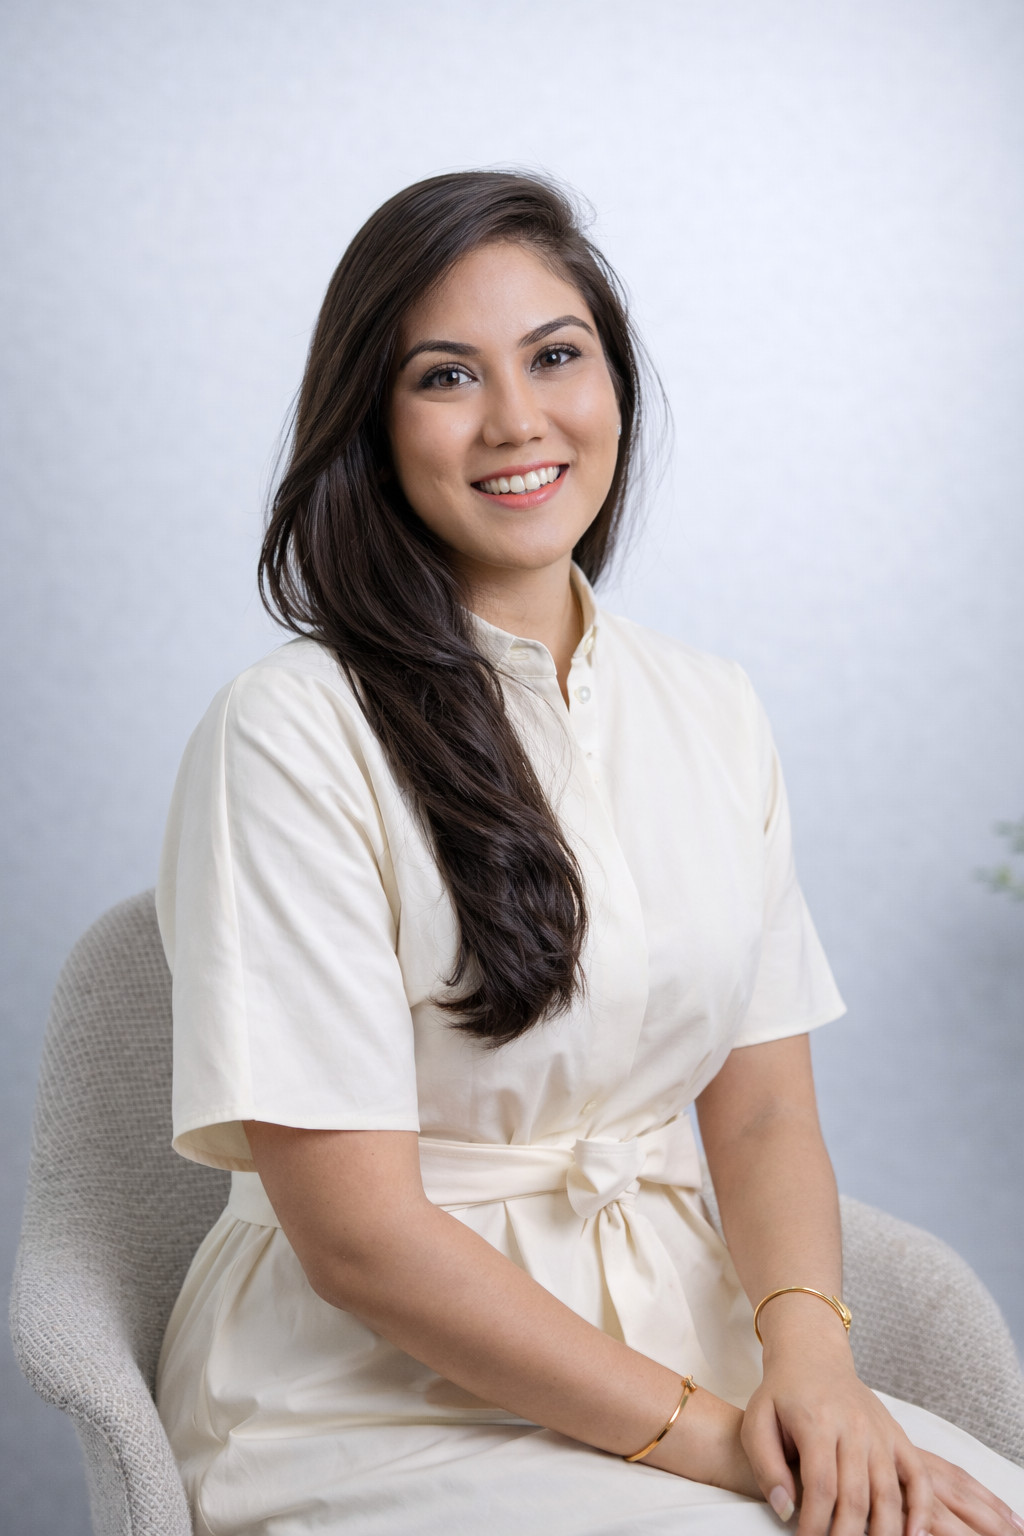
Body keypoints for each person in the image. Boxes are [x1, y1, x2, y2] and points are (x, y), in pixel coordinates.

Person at [154, 170, 1024, 1536]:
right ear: (370, 424)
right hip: (369, 1397)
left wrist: (811, 1367)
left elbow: (764, 1113)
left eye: (556, 356)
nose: (517, 420)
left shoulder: (714, 709)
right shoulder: (287, 733)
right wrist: (725, 1452)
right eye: (447, 376)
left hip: (687, 1331)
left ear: (614, 380)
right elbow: (360, 1239)